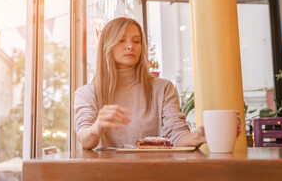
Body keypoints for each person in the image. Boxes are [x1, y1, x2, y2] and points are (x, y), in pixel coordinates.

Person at [74, 17, 239, 150]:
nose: (130, 46)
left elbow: (176, 133)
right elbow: (86, 140)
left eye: (136, 41)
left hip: (155, 173)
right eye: (121, 40)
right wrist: (97, 128)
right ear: (107, 46)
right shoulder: (86, 93)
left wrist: (198, 137)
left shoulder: (163, 88)